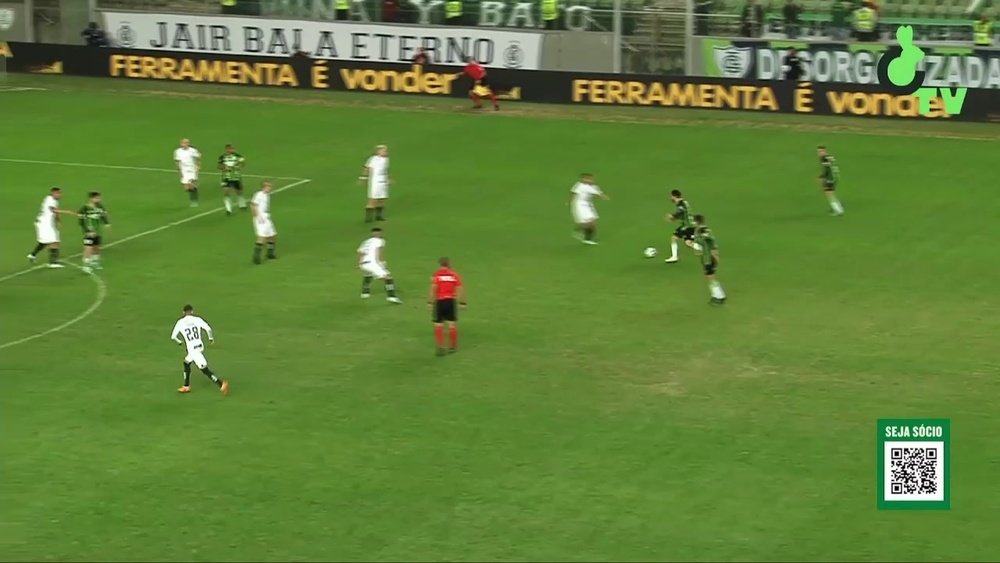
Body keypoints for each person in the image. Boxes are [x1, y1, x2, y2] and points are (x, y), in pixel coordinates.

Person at [171, 304, 229, 395]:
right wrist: (210, 338)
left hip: (193, 350)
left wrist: (179, 342)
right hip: (199, 346)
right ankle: (186, 386)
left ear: (183, 312)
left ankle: (221, 383)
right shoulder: (197, 319)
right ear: (192, 311)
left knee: (204, 369)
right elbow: (208, 329)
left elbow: (173, 337)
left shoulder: (180, 322)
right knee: (186, 362)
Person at [28, 187, 75, 268]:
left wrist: (58, 221)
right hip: (44, 224)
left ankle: (32, 255)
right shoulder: (50, 200)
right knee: (54, 241)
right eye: (58, 193)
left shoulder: (54, 200)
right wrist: (67, 212)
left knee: (45, 241)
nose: (60, 195)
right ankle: (53, 262)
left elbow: (55, 212)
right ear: (53, 193)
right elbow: (53, 210)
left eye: (60, 193)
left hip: (45, 223)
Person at [428, 257, 466, 356]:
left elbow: (433, 288)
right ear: (449, 264)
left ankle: (440, 346)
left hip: (439, 301)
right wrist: (462, 302)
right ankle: (453, 347)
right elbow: (461, 288)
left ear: (440, 264)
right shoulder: (454, 275)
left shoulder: (436, 275)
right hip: (450, 301)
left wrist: (430, 302)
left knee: (438, 325)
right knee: (451, 324)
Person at [357, 227, 402, 304]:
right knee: (387, 277)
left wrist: (359, 263)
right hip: (372, 263)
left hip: (364, 263)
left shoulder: (366, 241)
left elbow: (361, 252)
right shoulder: (380, 241)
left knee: (368, 273)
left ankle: (365, 293)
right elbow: (378, 252)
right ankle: (391, 296)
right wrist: (381, 262)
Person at [692, 215, 727, 305]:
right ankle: (716, 295)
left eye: (693, 221)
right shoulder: (698, 230)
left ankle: (720, 296)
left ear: (697, 222)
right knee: (709, 277)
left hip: (709, 258)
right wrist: (695, 247)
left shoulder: (703, 230)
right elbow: (700, 244)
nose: (692, 223)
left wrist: (715, 254)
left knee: (711, 277)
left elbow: (710, 241)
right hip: (705, 258)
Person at [569, 173, 608, 245]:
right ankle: (587, 238)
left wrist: (603, 196)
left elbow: (598, 193)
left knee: (593, 222)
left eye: (589, 178)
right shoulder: (580, 186)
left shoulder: (594, 187)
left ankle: (582, 232)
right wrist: (570, 202)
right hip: (580, 205)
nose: (588, 180)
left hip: (589, 205)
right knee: (590, 222)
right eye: (585, 178)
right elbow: (573, 193)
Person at [664, 189, 700, 263]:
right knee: (688, 243)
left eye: (671, 196)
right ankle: (703, 248)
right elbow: (683, 214)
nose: (671, 198)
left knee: (673, 238)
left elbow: (680, 212)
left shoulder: (681, 204)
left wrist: (672, 216)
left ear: (674, 196)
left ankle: (674, 257)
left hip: (687, 225)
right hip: (691, 225)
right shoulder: (683, 202)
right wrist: (674, 218)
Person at [79, 191, 111, 274]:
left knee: (97, 248)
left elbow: (103, 215)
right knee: (88, 248)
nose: (99, 199)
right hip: (89, 232)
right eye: (97, 198)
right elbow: (81, 222)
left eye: (99, 198)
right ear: (91, 199)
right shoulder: (84, 208)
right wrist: (87, 231)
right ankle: (86, 266)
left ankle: (95, 262)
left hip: (98, 231)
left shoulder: (100, 207)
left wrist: (106, 223)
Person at [361, 145, 391, 223]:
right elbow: (367, 168)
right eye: (384, 150)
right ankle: (368, 218)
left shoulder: (386, 159)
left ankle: (379, 216)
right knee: (373, 200)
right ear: (378, 151)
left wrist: (388, 179)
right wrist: (364, 178)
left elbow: (385, 170)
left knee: (382, 199)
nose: (386, 152)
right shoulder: (373, 159)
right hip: (375, 182)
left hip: (383, 182)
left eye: (386, 150)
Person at [251, 181, 278, 264]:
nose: (270, 188)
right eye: (268, 186)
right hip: (261, 218)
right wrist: (257, 216)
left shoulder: (267, 195)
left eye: (270, 186)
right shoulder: (259, 194)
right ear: (264, 187)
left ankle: (270, 254)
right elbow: (253, 205)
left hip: (267, 217)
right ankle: (256, 258)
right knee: (262, 237)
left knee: (272, 235)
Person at [218, 144, 246, 215]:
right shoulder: (222, 157)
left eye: (233, 149)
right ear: (227, 149)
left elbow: (243, 163)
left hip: (236, 177)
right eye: (231, 149)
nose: (233, 150)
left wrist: (238, 167)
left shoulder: (238, 156)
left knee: (239, 192)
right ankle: (228, 209)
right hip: (226, 177)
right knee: (226, 192)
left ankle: (242, 204)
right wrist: (225, 168)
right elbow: (219, 166)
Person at [173, 138, 201, 208]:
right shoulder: (178, 151)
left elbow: (198, 158)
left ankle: (194, 201)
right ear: (181, 144)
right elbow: (177, 161)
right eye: (183, 143)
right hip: (184, 170)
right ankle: (195, 189)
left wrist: (198, 166)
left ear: (188, 144)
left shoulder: (193, 150)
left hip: (192, 169)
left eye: (186, 143)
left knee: (190, 184)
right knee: (186, 188)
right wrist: (178, 170)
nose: (184, 144)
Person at [817, 145, 844, 216]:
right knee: (831, 193)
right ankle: (838, 206)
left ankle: (838, 210)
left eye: (821, 151)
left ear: (825, 151)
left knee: (828, 194)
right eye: (819, 152)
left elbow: (827, 169)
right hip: (835, 176)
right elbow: (833, 166)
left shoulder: (824, 159)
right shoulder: (830, 157)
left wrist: (822, 177)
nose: (820, 153)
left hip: (830, 178)